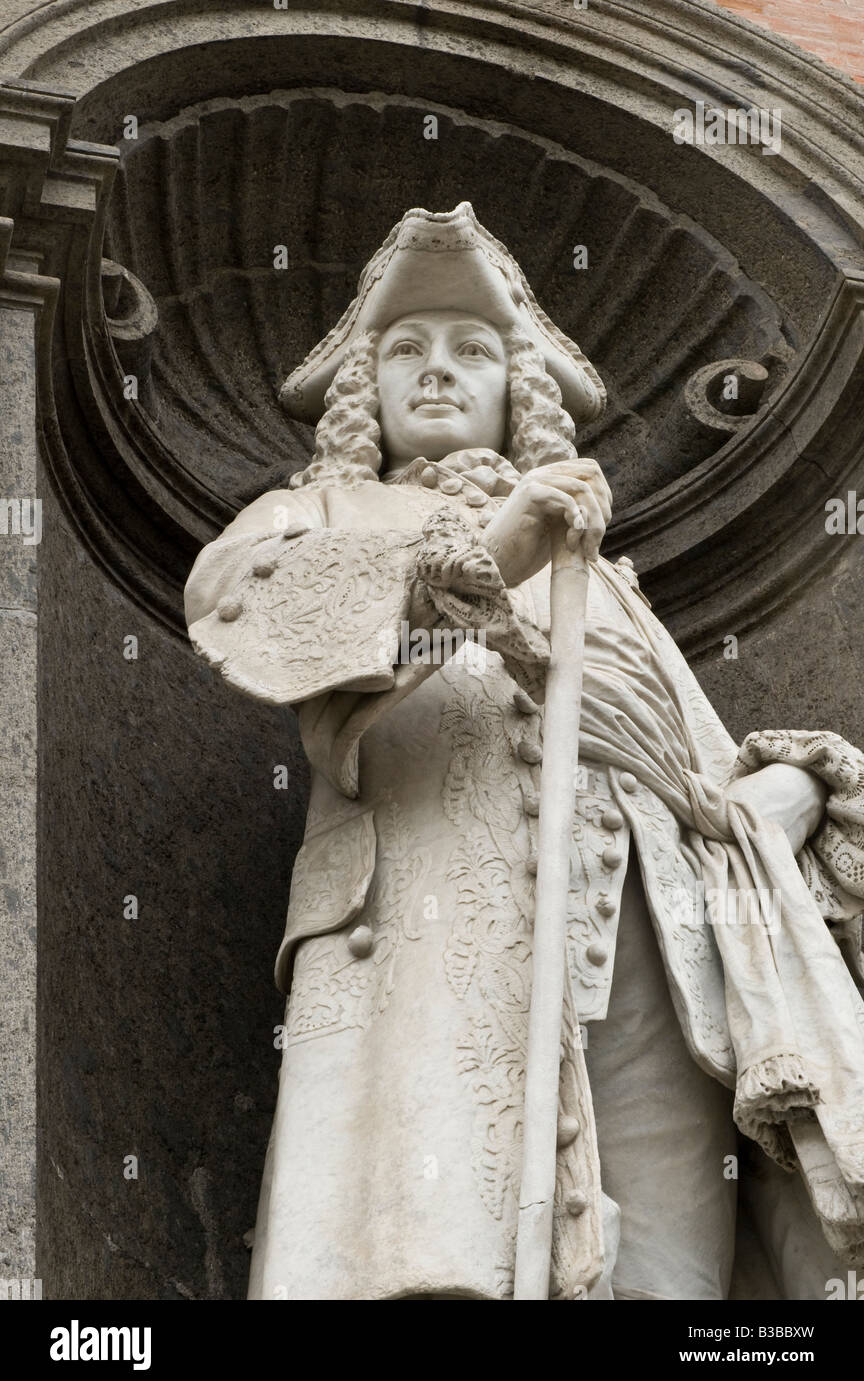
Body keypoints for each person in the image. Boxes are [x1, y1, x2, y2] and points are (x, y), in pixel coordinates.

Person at [185, 202, 864, 1300]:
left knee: (668, 1255)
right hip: (426, 926)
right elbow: (262, 629)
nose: (437, 370)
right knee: (432, 1233)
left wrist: (779, 793)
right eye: (406, 349)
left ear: (517, 391)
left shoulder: (599, 565)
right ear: (369, 386)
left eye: (471, 350)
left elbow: (686, 742)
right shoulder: (314, 513)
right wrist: (499, 551)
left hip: (652, 925)